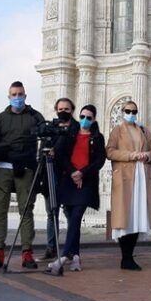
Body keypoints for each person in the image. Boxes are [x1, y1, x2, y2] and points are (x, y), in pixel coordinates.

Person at [0, 81, 45, 269]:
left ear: (25, 96)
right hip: (2, 168)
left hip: (25, 169)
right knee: (0, 211)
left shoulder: (35, 117)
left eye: (20, 94)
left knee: (26, 210)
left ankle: (27, 252)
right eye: (14, 94)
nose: (17, 97)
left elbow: (45, 139)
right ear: (9, 96)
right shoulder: (1, 118)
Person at [47, 104, 106, 274]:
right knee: (73, 219)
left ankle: (64, 256)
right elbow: (62, 155)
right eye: (82, 116)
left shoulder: (98, 137)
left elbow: (100, 160)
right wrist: (73, 172)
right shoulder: (70, 134)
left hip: (86, 182)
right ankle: (77, 257)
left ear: (94, 119)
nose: (84, 120)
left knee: (77, 216)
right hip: (69, 180)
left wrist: (82, 173)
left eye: (88, 117)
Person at [106, 100, 151, 270]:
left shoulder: (144, 130)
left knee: (137, 216)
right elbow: (110, 151)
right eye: (128, 110)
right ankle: (125, 257)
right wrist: (131, 155)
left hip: (142, 176)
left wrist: (147, 156)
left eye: (134, 111)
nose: (131, 113)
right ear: (123, 112)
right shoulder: (117, 130)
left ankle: (130, 256)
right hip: (125, 177)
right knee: (124, 216)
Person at [39, 97, 76, 261]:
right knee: (51, 212)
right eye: (60, 109)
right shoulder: (50, 127)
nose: (63, 112)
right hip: (50, 172)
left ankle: (70, 248)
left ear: (72, 110)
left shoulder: (77, 127)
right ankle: (51, 247)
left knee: (70, 213)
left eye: (66, 109)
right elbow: (43, 149)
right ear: (56, 110)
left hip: (68, 174)